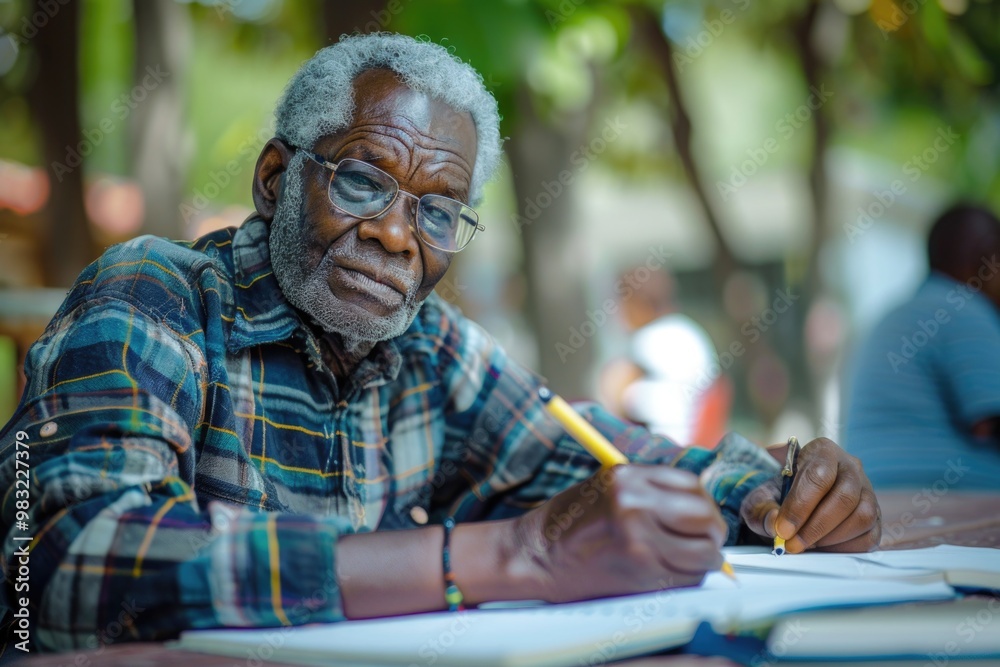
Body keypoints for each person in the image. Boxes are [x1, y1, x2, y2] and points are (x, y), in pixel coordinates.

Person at [0, 33, 879, 654]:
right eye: (360, 180)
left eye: (437, 211)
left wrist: (776, 494)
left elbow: (616, 461)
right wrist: (497, 556)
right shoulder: (156, 296)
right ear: (275, 179)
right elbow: (57, 566)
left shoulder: (431, 348)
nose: (394, 234)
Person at [845, 203, 1000, 489]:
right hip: (947, 501)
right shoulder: (965, 309)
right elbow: (989, 423)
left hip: (869, 503)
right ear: (988, 261)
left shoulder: (894, 314)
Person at [601, 269, 731, 446]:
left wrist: (619, 396)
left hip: (671, 445)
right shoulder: (690, 330)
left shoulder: (649, 338)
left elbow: (657, 408)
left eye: (623, 304)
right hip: (701, 440)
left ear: (640, 304)